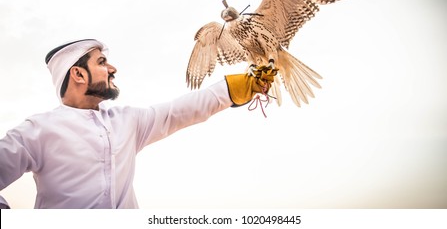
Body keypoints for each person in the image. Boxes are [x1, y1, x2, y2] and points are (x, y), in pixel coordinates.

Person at [0, 39, 277, 209]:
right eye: (102, 62)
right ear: (78, 74)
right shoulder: (37, 131)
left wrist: (241, 86)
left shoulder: (126, 121)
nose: (113, 68)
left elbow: (179, 112)